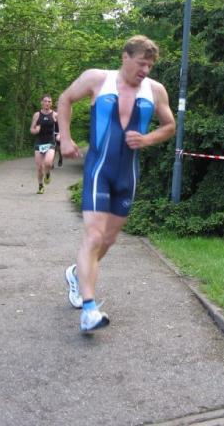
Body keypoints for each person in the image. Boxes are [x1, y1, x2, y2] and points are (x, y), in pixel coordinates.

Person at [57, 35, 176, 333]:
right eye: (141, 63)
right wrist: (66, 139)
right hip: (98, 170)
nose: (145, 70)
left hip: (127, 176)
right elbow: (65, 99)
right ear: (125, 57)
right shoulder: (98, 79)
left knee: (108, 241)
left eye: (150, 66)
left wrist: (147, 139)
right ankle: (89, 309)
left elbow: (170, 125)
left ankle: (76, 273)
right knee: (94, 236)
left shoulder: (155, 90)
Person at [30, 95, 58, 194]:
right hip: (39, 142)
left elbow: (60, 128)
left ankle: (48, 173)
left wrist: (59, 135)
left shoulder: (55, 115)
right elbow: (32, 129)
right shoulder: (37, 115)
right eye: (45, 101)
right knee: (39, 167)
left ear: (51, 103)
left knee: (48, 163)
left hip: (50, 141)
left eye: (49, 101)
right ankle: (40, 186)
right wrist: (36, 130)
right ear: (41, 102)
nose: (47, 103)